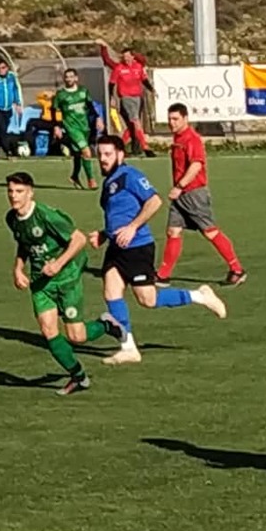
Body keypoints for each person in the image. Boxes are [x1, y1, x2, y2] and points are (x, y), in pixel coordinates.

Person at [91, 135, 226, 365]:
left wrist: (133, 227)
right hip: (117, 247)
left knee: (148, 299)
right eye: (100, 154)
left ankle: (200, 296)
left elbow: (154, 201)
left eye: (108, 154)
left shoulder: (130, 175)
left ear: (120, 154)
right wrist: (105, 234)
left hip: (137, 247)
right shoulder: (109, 181)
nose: (103, 159)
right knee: (111, 292)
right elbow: (119, 215)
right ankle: (128, 348)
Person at [3, 172, 122, 396]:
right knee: (48, 330)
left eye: (19, 191)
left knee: (77, 336)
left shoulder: (46, 215)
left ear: (30, 193)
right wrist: (18, 268)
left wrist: (58, 264)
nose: (14, 196)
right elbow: (24, 244)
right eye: (10, 191)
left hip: (67, 278)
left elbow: (79, 239)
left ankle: (106, 325)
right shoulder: (12, 219)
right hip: (41, 282)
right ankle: (78, 377)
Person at [158, 103, 247, 287]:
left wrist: (180, 186)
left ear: (185, 118)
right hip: (181, 195)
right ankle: (163, 275)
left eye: (175, 119)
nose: (172, 123)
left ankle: (237, 269)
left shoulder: (192, 139)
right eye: (170, 119)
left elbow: (196, 165)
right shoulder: (178, 138)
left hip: (193, 194)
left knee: (210, 231)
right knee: (173, 231)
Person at [51, 69, 100, 190]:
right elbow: (54, 110)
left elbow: (90, 107)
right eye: (66, 77)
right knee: (87, 152)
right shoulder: (61, 95)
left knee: (78, 154)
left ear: (76, 78)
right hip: (71, 128)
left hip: (84, 127)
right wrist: (56, 126)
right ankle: (91, 180)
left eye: (71, 76)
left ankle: (74, 176)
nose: (69, 79)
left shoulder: (83, 91)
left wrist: (98, 118)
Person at [105, 46, 152, 155]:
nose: (125, 58)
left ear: (132, 57)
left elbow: (144, 80)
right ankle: (145, 147)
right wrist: (111, 97)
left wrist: (152, 89)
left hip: (138, 98)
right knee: (136, 122)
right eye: (124, 56)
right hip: (126, 98)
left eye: (127, 56)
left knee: (132, 126)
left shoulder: (138, 67)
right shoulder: (119, 68)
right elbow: (111, 83)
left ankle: (118, 146)